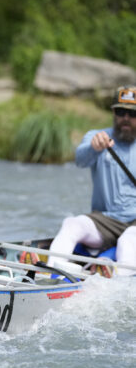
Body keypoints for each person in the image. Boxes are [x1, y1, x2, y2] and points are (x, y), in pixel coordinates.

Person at [47, 85, 136, 276]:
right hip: (105, 219)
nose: (126, 118)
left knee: (127, 242)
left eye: (132, 113)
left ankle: (114, 288)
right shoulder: (97, 136)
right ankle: (49, 277)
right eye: (121, 112)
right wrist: (94, 148)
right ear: (113, 113)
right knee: (72, 224)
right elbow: (80, 159)